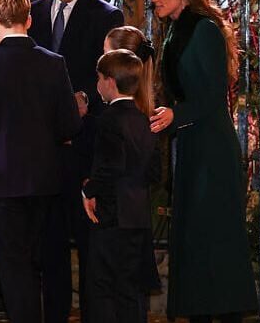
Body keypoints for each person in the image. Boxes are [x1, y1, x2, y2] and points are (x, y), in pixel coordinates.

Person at [0, 0, 83, 323]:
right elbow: (71, 125)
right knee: (41, 262)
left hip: (4, 183)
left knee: (14, 268)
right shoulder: (53, 63)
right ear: (29, 19)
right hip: (46, 180)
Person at [148, 0, 257, 323]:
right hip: (193, 144)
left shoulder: (205, 29)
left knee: (213, 239)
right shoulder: (178, 29)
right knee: (195, 239)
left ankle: (222, 314)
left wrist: (175, 115)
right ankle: (199, 313)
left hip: (211, 148)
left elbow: (211, 95)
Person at [29, 0, 125, 323]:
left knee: (89, 245)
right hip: (46, 150)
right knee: (49, 245)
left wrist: (84, 96)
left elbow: (113, 74)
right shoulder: (34, 13)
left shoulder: (106, 15)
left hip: (86, 147)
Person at [82, 49, 160, 323]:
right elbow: (154, 171)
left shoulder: (108, 119)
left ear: (110, 82)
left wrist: (89, 190)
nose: (97, 84)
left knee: (103, 286)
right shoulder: (144, 120)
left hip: (113, 213)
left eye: (99, 78)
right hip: (138, 214)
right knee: (131, 289)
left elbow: (109, 166)